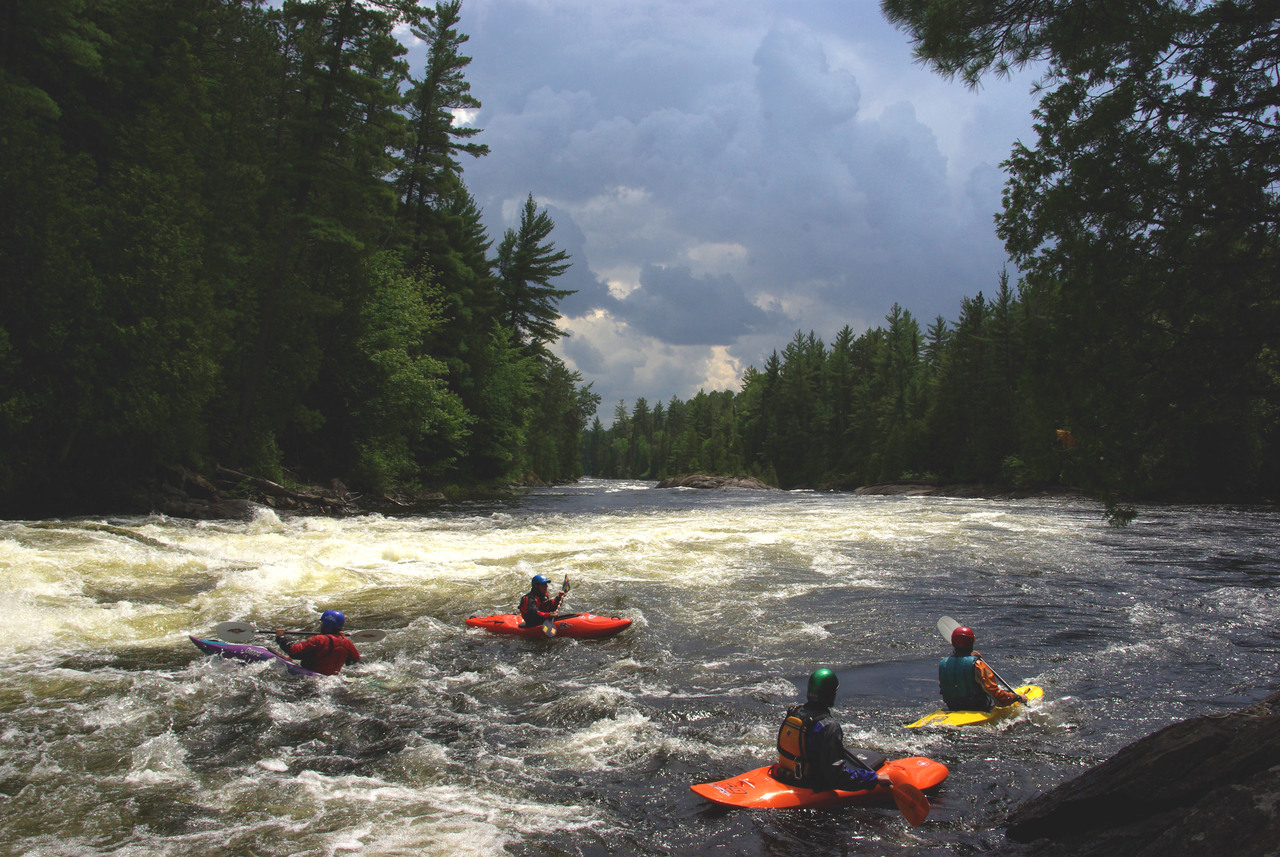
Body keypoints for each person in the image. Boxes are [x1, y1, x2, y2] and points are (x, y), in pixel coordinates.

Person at [773, 668, 892, 792]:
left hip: (786, 774)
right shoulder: (829, 726)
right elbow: (838, 778)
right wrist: (874, 778)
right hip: (808, 783)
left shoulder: (794, 712)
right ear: (831, 694)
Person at [938, 625, 1026, 711]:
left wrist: (969, 656)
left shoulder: (943, 663)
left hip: (952, 707)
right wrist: (1016, 697)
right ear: (972, 642)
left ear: (953, 643)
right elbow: (994, 692)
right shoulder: (977, 664)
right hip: (977, 708)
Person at [274, 609, 360, 676]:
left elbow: (294, 652)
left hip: (309, 676)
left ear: (326, 625)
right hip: (330, 679)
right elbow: (352, 661)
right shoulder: (347, 642)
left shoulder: (319, 639)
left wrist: (281, 637)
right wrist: (340, 638)